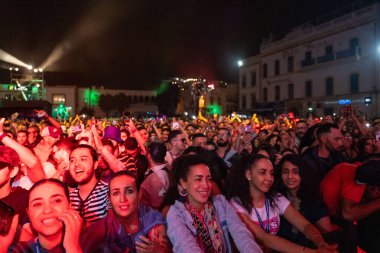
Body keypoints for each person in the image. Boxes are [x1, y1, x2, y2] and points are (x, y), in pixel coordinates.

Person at [227, 154, 337, 253]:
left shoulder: (276, 198)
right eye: (262, 173)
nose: (269, 178)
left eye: (271, 173)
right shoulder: (236, 204)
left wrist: (321, 243)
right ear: (248, 174)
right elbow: (265, 238)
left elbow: (304, 225)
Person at [165, 154, 263, 253]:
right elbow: (187, 247)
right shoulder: (176, 214)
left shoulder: (220, 203)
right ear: (183, 183)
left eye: (208, 179)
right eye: (198, 179)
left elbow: (242, 234)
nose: (206, 185)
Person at [81, 171, 170, 253]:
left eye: (129, 191)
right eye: (116, 193)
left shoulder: (152, 220)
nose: (122, 199)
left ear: (139, 195)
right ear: (109, 198)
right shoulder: (103, 229)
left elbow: (164, 248)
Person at [276, 154, 336, 247]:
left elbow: (329, 239)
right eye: (285, 172)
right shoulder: (277, 199)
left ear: (303, 174)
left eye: (295, 172)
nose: (290, 176)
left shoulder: (314, 202)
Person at [9, 179, 83, 253]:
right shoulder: (21, 250)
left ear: (70, 206)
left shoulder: (91, 240)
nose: (47, 210)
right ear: (28, 213)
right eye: (37, 204)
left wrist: (72, 247)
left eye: (56, 201)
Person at [139, 142, 169, 210]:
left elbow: (156, 206)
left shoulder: (156, 178)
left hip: (150, 216)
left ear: (149, 155)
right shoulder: (161, 169)